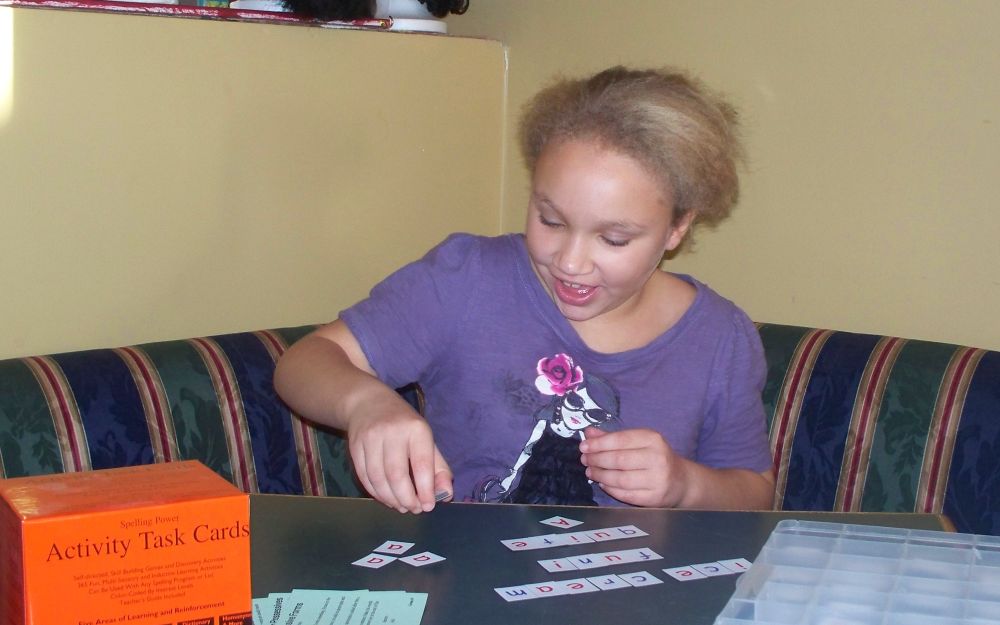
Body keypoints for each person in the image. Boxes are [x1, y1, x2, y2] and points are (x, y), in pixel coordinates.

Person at [274, 66, 775, 514]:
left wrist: (685, 485)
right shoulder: (467, 279)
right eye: (551, 220)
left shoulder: (718, 337)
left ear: (676, 229)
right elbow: (303, 363)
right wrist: (365, 404)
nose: (571, 262)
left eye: (614, 238)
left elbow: (754, 491)